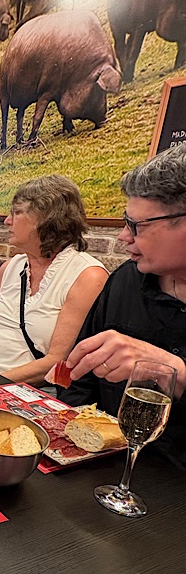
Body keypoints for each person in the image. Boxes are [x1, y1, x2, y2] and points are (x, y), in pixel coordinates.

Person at [60, 144, 186, 468]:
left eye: (136, 225)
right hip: (103, 466)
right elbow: (81, 379)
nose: (123, 237)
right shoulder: (126, 280)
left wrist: (176, 371)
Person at [0, 174, 109, 385]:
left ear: (46, 218)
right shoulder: (11, 267)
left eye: (17, 212)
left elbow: (57, 361)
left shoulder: (87, 276)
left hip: (26, 392)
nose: (7, 221)